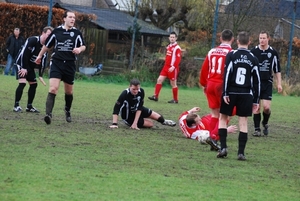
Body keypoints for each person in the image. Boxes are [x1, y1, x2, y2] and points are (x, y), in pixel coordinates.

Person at [35, 10, 86, 124]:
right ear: (64, 19)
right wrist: (39, 56)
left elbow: (83, 46)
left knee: (69, 92)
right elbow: (47, 46)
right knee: (53, 89)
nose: (73, 19)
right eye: (70, 17)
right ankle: (48, 114)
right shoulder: (56, 31)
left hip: (69, 64)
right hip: (57, 63)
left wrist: (79, 49)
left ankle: (67, 110)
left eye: (74, 17)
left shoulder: (77, 33)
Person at [217, 31, 260, 161]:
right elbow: (256, 80)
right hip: (246, 94)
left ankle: (223, 148)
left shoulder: (232, 55)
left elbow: (227, 74)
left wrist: (225, 92)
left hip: (231, 92)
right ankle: (241, 153)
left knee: (223, 118)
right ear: (250, 42)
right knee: (243, 122)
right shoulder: (253, 58)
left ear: (237, 42)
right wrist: (256, 100)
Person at [200, 29, 234, 140]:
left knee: (214, 114)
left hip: (210, 84)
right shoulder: (232, 53)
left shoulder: (212, 51)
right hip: (222, 85)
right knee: (226, 114)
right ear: (232, 39)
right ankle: (213, 136)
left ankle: (212, 136)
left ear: (220, 39)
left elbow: (204, 69)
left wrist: (204, 84)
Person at [13, 26, 53, 113]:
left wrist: (40, 74)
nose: (49, 37)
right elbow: (24, 54)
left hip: (29, 67)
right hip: (21, 63)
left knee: (34, 84)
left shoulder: (45, 46)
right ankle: (16, 106)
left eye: (51, 36)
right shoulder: (33, 40)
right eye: (48, 35)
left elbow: (42, 60)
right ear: (43, 33)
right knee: (22, 83)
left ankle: (29, 107)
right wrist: (23, 68)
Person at [109, 78, 176, 130]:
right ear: (129, 87)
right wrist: (114, 124)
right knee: (151, 124)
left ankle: (164, 122)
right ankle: (138, 121)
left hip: (136, 110)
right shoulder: (124, 94)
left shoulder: (141, 91)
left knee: (158, 117)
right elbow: (116, 108)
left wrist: (136, 122)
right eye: (133, 89)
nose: (136, 91)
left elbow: (139, 107)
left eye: (137, 89)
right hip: (128, 117)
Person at [251, 31, 282, 137]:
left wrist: (279, 84)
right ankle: (257, 129)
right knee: (256, 107)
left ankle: (265, 122)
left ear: (268, 39)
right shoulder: (253, 51)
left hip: (267, 83)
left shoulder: (273, 52)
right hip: (255, 83)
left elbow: (277, 69)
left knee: (266, 107)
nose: (262, 40)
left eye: (264, 38)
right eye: (260, 38)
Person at [148, 31, 181, 103]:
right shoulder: (168, 46)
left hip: (172, 68)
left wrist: (173, 66)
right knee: (159, 80)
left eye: (173, 37)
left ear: (176, 38)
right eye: (171, 37)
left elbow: (178, 59)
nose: (172, 38)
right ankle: (155, 96)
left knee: (173, 84)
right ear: (169, 38)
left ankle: (175, 99)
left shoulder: (177, 48)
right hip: (165, 67)